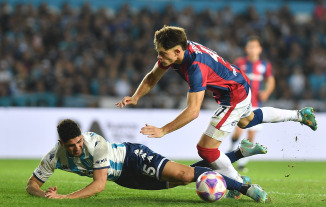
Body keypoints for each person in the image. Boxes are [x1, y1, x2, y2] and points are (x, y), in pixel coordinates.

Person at [116, 25, 317, 187]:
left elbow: (193, 111)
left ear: (178, 51)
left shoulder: (196, 67)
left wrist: (163, 130)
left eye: (162, 53)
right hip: (236, 82)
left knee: (206, 149)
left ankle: (239, 185)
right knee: (247, 121)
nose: (159, 57)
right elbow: (152, 77)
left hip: (234, 95)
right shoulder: (180, 50)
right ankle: (300, 115)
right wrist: (136, 97)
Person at [26, 119, 267, 202]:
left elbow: (99, 185)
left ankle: (245, 188)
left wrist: (64, 198)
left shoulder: (95, 142)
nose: (78, 148)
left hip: (134, 157)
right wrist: (45, 194)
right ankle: (239, 153)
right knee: (182, 179)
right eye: (72, 146)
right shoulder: (54, 156)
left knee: (184, 174)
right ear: (61, 146)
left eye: (79, 142)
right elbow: (31, 185)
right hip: (123, 178)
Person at [229, 36, 275, 172]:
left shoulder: (265, 65)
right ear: (246, 49)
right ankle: (230, 152)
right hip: (241, 103)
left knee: (250, 136)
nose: (252, 49)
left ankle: (242, 162)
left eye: (255, 47)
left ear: (259, 49)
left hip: (256, 104)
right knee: (238, 132)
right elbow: (232, 78)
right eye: (250, 47)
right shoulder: (240, 62)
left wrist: (266, 92)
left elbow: (271, 80)